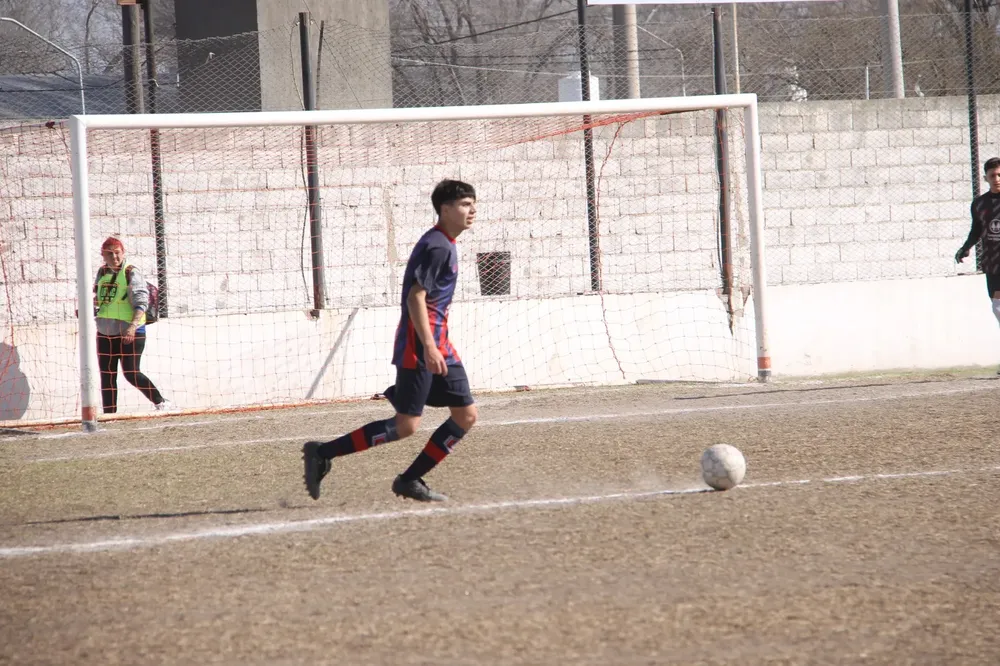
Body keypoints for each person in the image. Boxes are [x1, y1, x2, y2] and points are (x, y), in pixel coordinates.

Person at [303, 179, 478, 502]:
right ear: (445, 209)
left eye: (473, 203)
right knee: (407, 425)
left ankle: (411, 479)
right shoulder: (437, 245)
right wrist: (427, 346)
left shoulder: (446, 244)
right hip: (420, 346)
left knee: (465, 416)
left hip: (441, 346)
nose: (473, 210)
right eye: (466, 204)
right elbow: (416, 297)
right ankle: (323, 453)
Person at [94, 236, 171, 413]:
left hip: (130, 331)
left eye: (117, 253)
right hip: (106, 330)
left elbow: (141, 302)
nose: (114, 257)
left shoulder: (131, 272)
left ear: (123, 253)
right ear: (103, 255)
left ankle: (161, 402)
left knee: (130, 372)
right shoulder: (102, 272)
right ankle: (109, 413)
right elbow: (102, 298)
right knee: (107, 375)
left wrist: (133, 326)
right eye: (109, 253)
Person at [956, 157, 1000, 374]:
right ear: (986, 178)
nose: (997, 179)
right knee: (998, 309)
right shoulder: (980, 204)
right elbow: (977, 230)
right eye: (993, 175)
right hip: (993, 263)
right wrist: (966, 247)